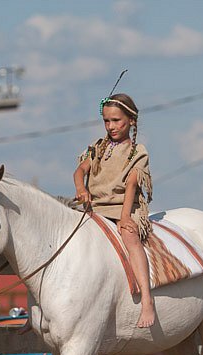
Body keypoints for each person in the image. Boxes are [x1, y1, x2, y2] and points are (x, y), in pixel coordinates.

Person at [73, 93, 155, 328]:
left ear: (131, 121)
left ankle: (147, 300)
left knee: (130, 237)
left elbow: (131, 184)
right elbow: (79, 171)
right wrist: (81, 189)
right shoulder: (97, 148)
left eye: (117, 120)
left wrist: (126, 216)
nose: (111, 126)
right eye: (107, 121)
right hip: (96, 208)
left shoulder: (137, 151)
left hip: (126, 207)